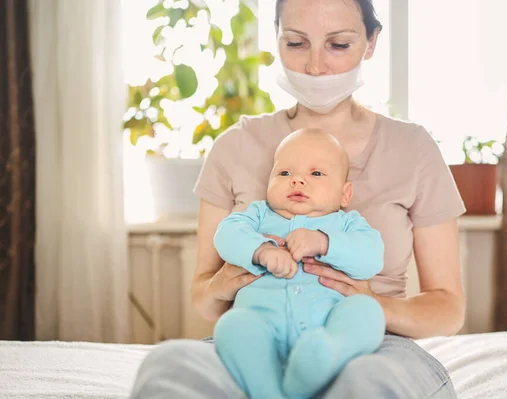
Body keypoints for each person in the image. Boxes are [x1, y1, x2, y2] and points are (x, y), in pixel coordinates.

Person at [129, 0, 466, 398]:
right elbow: (204, 297)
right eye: (296, 43)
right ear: (277, 39)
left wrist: (370, 305)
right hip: (258, 335)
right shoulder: (235, 147)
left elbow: (448, 307)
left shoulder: (413, 149)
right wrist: (230, 277)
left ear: (371, 42)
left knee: (367, 386)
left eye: (338, 44)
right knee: (167, 369)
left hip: (370, 345)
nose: (315, 66)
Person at [212, 128, 386, 399]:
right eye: (284, 173)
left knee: (367, 310)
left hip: (327, 326)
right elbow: (225, 235)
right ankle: (268, 392)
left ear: (345, 194)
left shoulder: (347, 223)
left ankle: (328, 355)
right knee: (232, 326)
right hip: (261, 330)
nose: (297, 181)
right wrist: (261, 251)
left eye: (316, 173)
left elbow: (371, 258)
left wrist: (324, 243)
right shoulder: (258, 215)